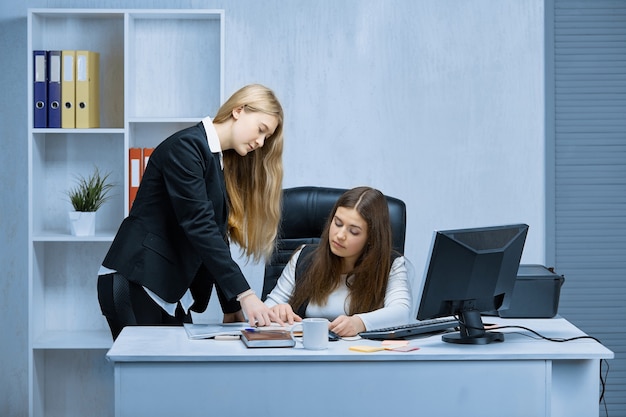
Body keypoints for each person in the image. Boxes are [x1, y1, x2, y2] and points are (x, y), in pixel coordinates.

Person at [97, 84, 285, 340]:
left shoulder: (214, 159)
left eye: (267, 138)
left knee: (174, 376)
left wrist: (231, 307)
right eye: (261, 130)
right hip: (136, 279)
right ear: (239, 110)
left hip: (167, 287)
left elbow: (215, 236)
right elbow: (199, 226)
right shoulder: (186, 148)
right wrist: (245, 295)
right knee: (144, 379)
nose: (260, 142)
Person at [264, 186, 412, 337]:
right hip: (308, 353)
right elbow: (266, 308)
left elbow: (401, 313)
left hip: (360, 357)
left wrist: (359, 323)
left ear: (371, 238)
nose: (340, 235)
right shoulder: (304, 257)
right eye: (338, 223)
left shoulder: (391, 265)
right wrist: (277, 310)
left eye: (353, 231)